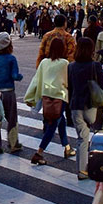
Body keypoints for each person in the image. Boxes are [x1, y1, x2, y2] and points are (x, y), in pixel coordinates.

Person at [26, 37, 76, 165]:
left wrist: (30, 97)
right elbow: (69, 81)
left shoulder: (44, 62)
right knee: (54, 124)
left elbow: (36, 80)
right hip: (60, 97)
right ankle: (39, 153)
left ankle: (67, 147)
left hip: (46, 97)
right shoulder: (65, 63)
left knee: (60, 121)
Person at [68, 37, 103, 179]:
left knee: (82, 138)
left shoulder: (71, 66)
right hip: (91, 105)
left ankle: (82, 170)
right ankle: (98, 164)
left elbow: (70, 87)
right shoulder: (95, 66)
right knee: (99, 132)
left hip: (76, 105)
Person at [0, 32, 23, 155]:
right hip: (8, 92)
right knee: (12, 118)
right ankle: (13, 144)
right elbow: (15, 75)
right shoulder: (11, 59)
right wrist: (19, 77)